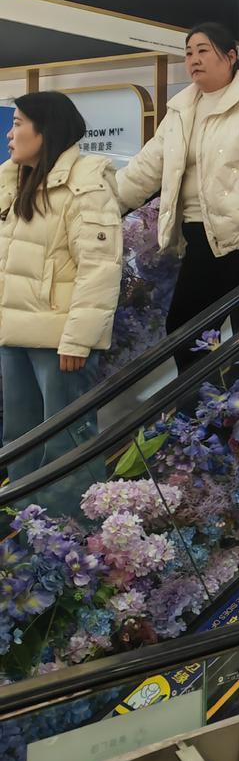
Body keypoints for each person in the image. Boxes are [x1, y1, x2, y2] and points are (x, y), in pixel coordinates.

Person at [117, 24, 239, 370]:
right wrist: (101, 205)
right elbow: (144, 170)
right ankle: (203, 416)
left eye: (203, 50)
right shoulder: (180, 113)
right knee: (185, 333)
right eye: (188, 53)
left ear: (230, 57)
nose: (194, 60)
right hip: (199, 241)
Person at [0, 93, 122, 478]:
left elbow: (99, 268)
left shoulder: (87, 185)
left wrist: (78, 338)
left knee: (65, 445)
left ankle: (75, 533)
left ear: (45, 130)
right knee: (19, 440)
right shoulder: (16, 181)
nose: (9, 133)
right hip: (15, 335)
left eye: (18, 123)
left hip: (59, 341)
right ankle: (27, 529)